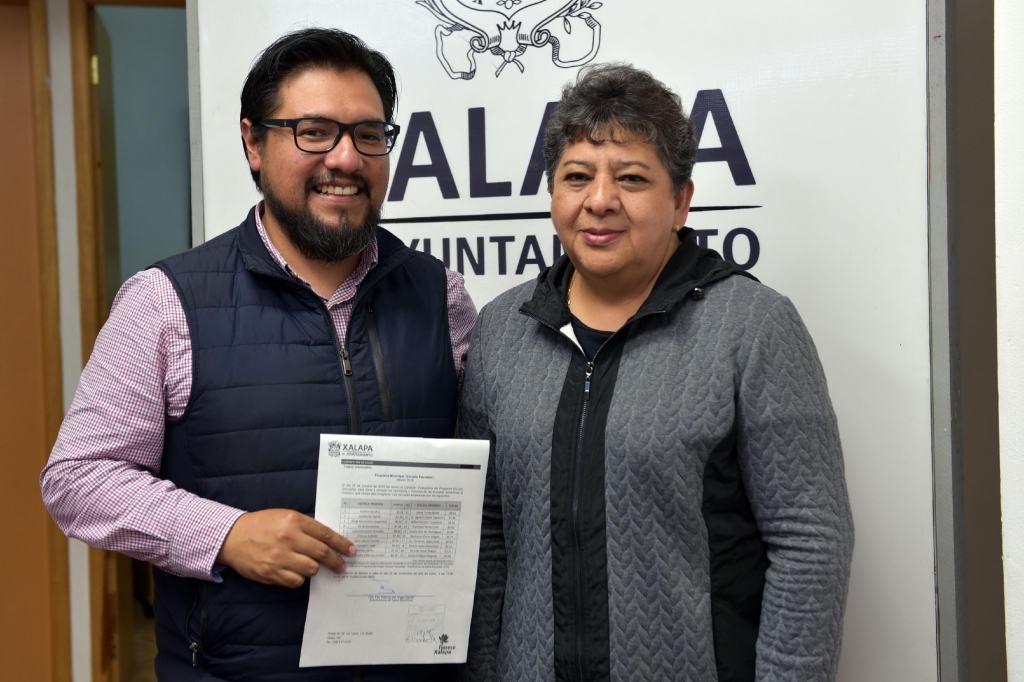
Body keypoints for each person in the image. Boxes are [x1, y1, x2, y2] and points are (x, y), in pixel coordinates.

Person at [41, 28, 475, 682]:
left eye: (368, 135)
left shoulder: (441, 296)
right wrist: (225, 536)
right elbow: (79, 479)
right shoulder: (166, 302)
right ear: (253, 142)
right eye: (313, 132)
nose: (346, 158)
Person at [456, 63, 854, 682]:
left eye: (632, 178)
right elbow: (485, 533)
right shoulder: (504, 329)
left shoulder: (752, 326)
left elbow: (810, 543)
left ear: (680, 201)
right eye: (577, 177)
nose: (599, 200)